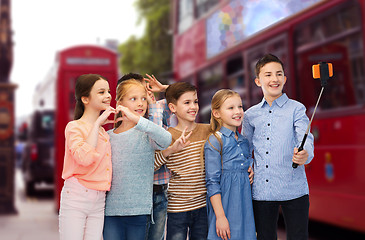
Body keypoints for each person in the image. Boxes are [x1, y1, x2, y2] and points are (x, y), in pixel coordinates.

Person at [242, 54, 314, 240]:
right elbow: (245, 147)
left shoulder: (297, 108)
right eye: (268, 75)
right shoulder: (250, 115)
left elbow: (305, 137)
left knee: (299, 236)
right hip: (262, 190)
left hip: (294, 187)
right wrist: (248, 165)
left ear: (285, 78)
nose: (274, 79)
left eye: (279, 74)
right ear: (258, 81)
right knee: (265, 237)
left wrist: (305, 154)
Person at [103, 79, 171, 240]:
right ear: (119, 102)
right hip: (111, 212)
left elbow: (166, 139)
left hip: (140, 212)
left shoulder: (147, 134)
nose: (140, 103)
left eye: (143, 99)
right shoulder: (108, 136)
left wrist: (138, 119)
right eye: (133, 99)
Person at [59, 74, 116, 240]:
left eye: (108, 91)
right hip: (76, 196)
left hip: (99, 199)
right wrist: (97, 123)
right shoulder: (74, 127)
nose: (108, 96)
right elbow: (84, 158)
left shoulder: (103, 132)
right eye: (101, 92)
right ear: (85, 99)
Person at [154, 81, 211, 240]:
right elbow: (152, 165)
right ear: (172, 108)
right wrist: (171, 150)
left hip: (203, 207)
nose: (193, 106)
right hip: (177, 209)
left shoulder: (207, 130)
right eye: (187, 103)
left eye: (195, 101)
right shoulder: (167, 136)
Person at [204, 89, 256, 240]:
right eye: (231, 108)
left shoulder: (244, 141)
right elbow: (212, 182)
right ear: (216, 113)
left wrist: (250, 168)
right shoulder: (215, 141)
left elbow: (245, 163)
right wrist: (220, 217)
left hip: (244, 206)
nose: (238, 111)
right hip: (225, 207)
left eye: (240, 106)